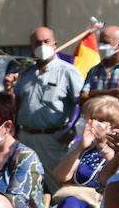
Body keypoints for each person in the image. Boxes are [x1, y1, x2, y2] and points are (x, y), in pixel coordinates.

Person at [15, 26, 83, 192]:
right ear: (31, 47)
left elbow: (85, 104)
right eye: (37, 43)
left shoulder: (67, 72)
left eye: (46, 41)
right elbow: (16, 104)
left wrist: (75, 131)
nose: (42, 45)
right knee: (26, 183)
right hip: (26, 138)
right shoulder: (26, 74)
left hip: (53, 139)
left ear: (54, 44)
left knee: (56, 186)